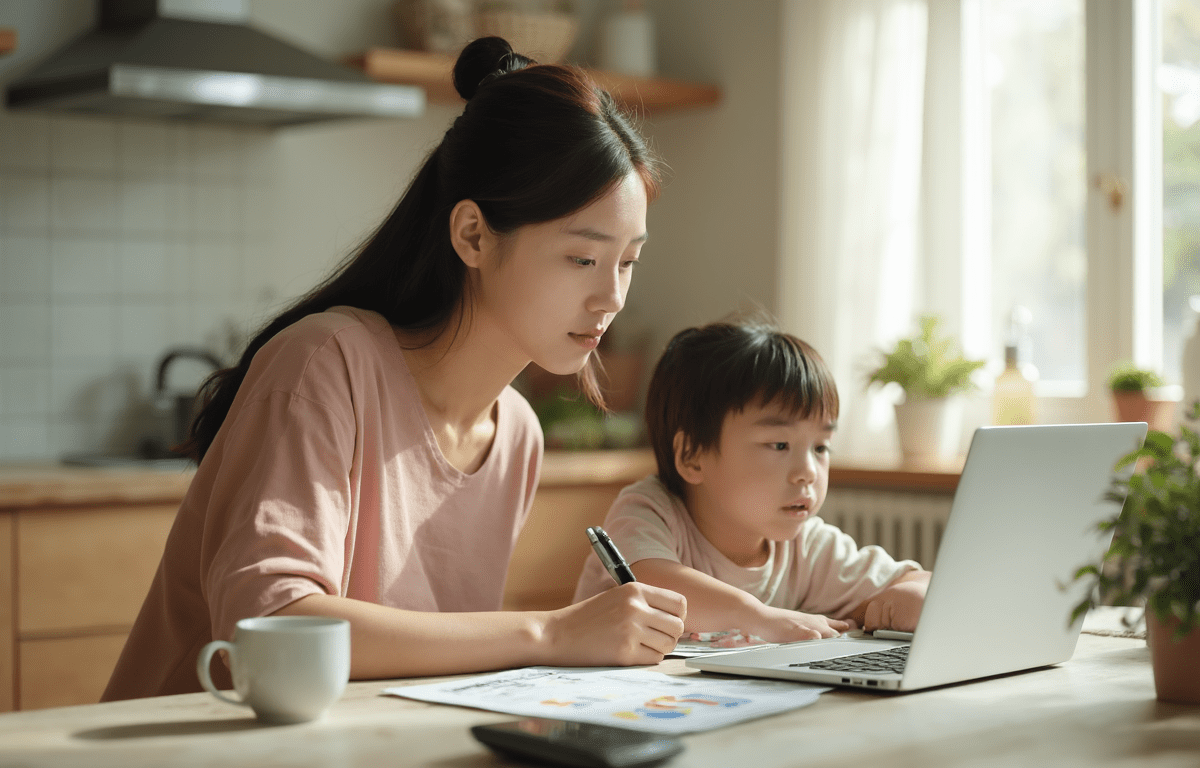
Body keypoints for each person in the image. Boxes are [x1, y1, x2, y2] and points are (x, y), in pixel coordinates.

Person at [102, 36, 687, 702]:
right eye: (583, 258)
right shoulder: (326, 364)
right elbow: (268, 621)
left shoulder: (517, 434)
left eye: (629, 261)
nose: (611, 297)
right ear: (472, 234)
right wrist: (550, 635)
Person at [573, 320, 930, 642]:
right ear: (691, 455)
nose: (808, 471)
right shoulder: (648, 508)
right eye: (779, 444)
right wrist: (758, 617)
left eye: (821, 447)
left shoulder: (806, 547)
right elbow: (653, 584)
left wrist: (911, 593)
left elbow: (922, 581)